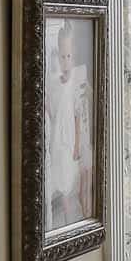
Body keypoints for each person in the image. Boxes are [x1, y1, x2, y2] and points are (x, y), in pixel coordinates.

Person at [46, 22, 88, 230]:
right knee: (59, 168)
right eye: (62, 57)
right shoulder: (55, 84)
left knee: (69, 171)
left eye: (68, 57)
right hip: (58, 135)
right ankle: (63, 207)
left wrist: (77, 144)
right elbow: (52, 108)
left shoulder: (74, 84)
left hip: (70, 135)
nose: (65, 61)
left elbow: (78, 115)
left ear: (74, 57)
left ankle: (71, 210)